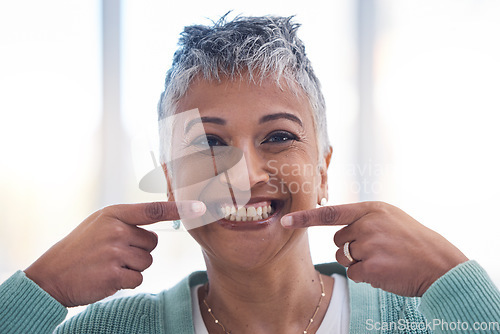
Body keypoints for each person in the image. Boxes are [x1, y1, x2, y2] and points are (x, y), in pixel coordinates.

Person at [1, 15, 499, 334]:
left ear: (323, 169)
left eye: (279, 137)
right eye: (210, 143)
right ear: (170, 179)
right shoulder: (109, 331)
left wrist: (449, 278)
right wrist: (39, 290)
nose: (244, 176)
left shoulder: (430, 321)